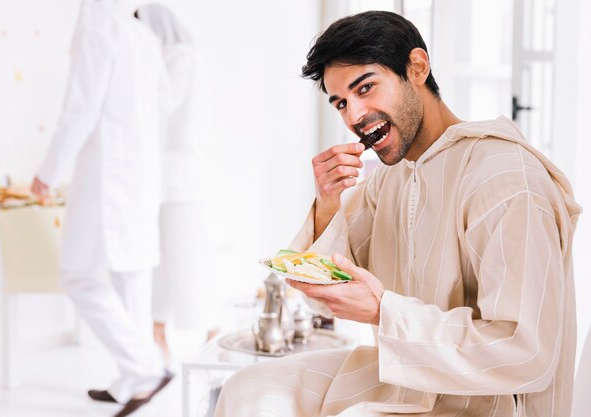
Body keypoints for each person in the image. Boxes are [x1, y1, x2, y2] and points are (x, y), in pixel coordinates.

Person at [214, 10, 581, 417]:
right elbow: (324, 297)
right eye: (341, 103)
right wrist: (328, 201)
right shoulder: (394, 178)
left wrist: (383, 312)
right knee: (249, 389)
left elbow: (524, 354)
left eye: (366, 88)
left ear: (417, 67)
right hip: (408, 384)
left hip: (486, 404)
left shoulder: (505, 178)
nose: (353, 116)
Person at [30, 1, 173, 415]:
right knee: (132, 278)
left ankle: (145, 368)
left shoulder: (98, 18)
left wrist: (48, 172)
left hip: (107, 171)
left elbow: (81, 105)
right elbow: (163, 103)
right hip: (141, 168)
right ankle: (135, 380)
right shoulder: (143, 34)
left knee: (77, 275)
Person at [134, 4, 214, 365]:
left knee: (185, 258)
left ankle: (210, 333)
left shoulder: (181, 59)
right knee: (163, 260)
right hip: (166, 176)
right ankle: (157, 333)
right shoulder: (174, 58)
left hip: (180, 177)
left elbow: (159, 106)